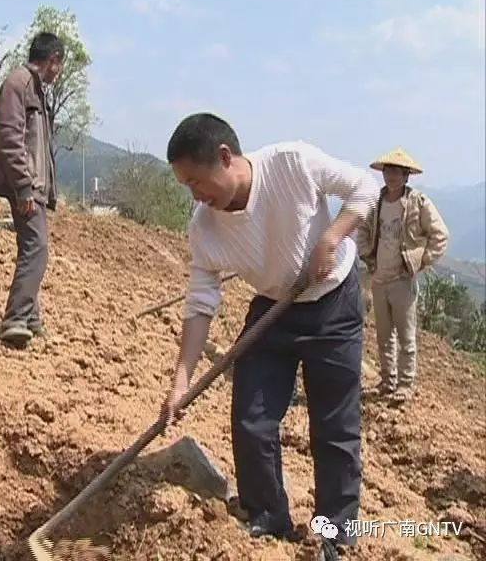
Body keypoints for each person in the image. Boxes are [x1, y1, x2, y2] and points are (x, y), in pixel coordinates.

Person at [160, 113, 380, 558]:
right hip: (273, 308)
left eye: (197, 182)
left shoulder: (292, 163)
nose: (196, 196)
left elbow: (366, 187)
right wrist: (182, 379)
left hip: (332, 302)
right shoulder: (203, 226)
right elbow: (201, 302)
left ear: (225, 157)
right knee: (251, 418)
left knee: (334, 428)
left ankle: (336, 534)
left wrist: (331, 237)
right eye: (186, 187)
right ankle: (268, 514)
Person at [0, 32, 64, 347]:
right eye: (58, 64)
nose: (58, 71)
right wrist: (24, 187)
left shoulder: (34, 88)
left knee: (32, 247)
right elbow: (11, 138)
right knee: (37, 248)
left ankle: (30, 317)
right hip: (26, 185)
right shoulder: (20, 83)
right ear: (53, 59)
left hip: (33, 184)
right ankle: (16, 318)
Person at [357, 147, 448, 402]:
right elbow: (362, 230)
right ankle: (387, 381)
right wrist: (367, 255)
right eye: (388, 170)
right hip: (379, 278)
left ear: (406, 175)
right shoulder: (376, 202)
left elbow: (440, 235)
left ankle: (405, 385)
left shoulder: (418, 203)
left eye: (397, 171)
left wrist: (420, 262)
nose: (391, 176)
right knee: (384, 336)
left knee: (406, 336)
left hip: (402, 279)